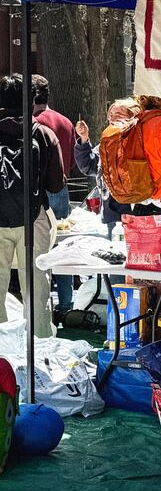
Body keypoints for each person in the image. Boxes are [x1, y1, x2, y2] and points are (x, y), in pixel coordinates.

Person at [0, 74, 65, 337]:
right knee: (36, 286)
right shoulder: (43, 133)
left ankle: (3, 354)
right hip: (33, 218)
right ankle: (39, 348)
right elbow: (56, 184)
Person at [31, 75, 77, 317]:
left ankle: (43, 306)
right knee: (63, 248)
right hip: (62, 188)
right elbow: (69, 160)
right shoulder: (66, 122)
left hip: (41, 191)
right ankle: (67, 304)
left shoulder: (34, 124)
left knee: (42, 250)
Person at [74, 99, 139, 236]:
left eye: (118, 115)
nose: (112, 119)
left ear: (133, 117)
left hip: (135, 213)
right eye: (111, 115)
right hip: (111, 214)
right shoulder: (107, 144)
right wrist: (84, 139)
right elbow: (88, 165)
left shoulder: (139, 143)